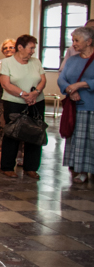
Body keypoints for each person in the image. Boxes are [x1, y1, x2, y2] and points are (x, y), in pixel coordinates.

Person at [0, 34, 46, 180]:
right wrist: (23, 94)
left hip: (36, 102)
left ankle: (31, 168)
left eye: (34, 48)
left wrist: (35, 93)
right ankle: (7, 167)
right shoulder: (7, 63)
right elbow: (5, 83)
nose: (33, 51)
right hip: (14, 103)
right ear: (20, 47)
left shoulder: (36, 62)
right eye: (31, 48)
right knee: (12, 133)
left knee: (34, 132)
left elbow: (42, 80)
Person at [58, 26, 94, 184]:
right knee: (79, 142)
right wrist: (70, 90)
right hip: (75, 107)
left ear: (89, 41)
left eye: (77, 40)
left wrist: (79, 85)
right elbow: (62, 79)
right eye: (73, 40)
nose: (73, 44)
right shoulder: (72, 60)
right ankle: (81, 171)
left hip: (91, 107)